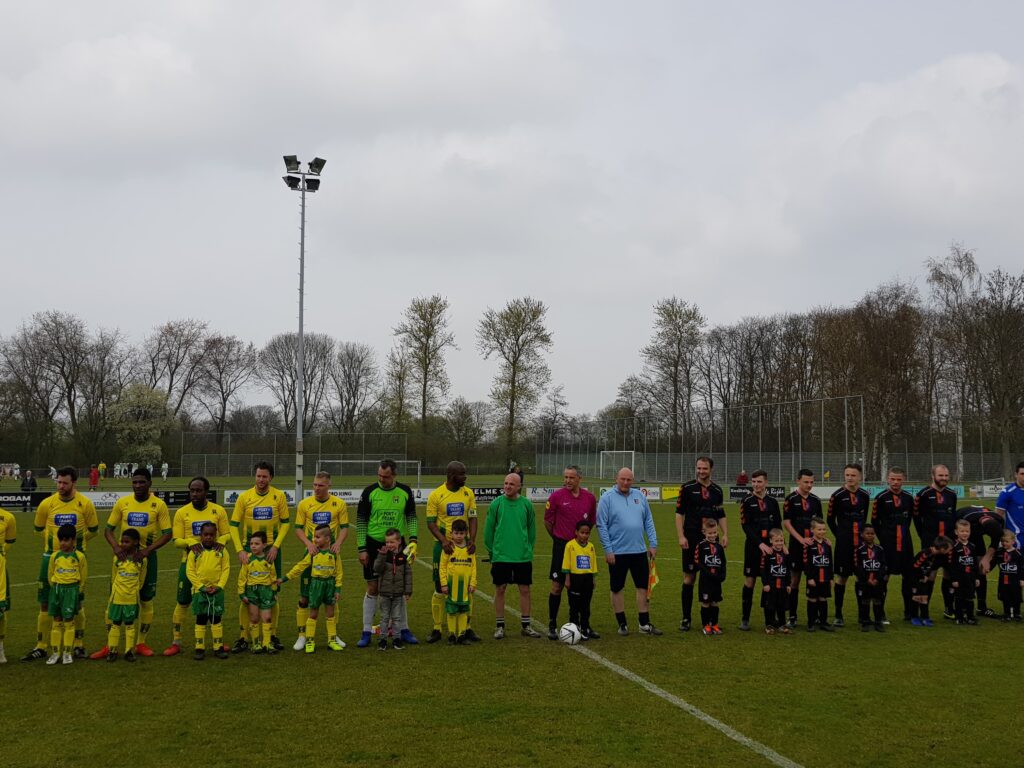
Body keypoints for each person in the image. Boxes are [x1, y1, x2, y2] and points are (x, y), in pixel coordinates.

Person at [90, 467, 172, 660]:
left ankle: (140, 642)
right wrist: (116, 548)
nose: (137, 485)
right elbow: (108, 530)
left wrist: (146, 551)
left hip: (147, 560)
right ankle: (110, 644)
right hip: (122, 560)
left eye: (141, 482)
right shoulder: (123, 503)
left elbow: (168, 533)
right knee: (114, 600)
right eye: (134, 482)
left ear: (150, 483)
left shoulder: (158, 505)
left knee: (145, 600)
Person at [22, 466, 99, 662]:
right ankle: (41, 646)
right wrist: (54, 548)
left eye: (65, 482)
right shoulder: (47, 504)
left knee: (76, 604)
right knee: (45, 603)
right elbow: (38, 529)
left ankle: (78, 645)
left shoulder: (85, 504)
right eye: (58, 482)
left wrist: (76, 547)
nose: (60, 486)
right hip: (49, 559)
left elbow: (94, 530)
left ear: (74, 483)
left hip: (75, 561)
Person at [163, 476, 230, 656]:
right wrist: (191, 542)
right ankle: (176, 641)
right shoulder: (181, 512)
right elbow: (176, 540)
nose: (194, 494)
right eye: (192, 490)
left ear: (206, 492)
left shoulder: (219, 511)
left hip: (212, 566)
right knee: (182, 602)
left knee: (214, 604)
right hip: (189, 564)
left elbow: (227, 534)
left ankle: (218, 642)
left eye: (198, 490)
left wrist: (220, 542)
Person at [356, 459, 418, 648]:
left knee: (398, 588)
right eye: (379, 476)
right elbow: (360, 521)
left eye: (386, 476)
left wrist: (414, 540)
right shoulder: (369, 492)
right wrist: (362, 548)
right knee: (374, 588)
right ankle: (367, 631)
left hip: (398, 546)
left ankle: (404, 629)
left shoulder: (405, 491)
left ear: (394, 475)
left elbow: (412, 517)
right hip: (374, 545)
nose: (382, 479)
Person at [229, 461, 290, 653]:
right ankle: (243, 637)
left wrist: (276, 547)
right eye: (258, 476)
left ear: (271, 477)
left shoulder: (278, 496)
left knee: (272, 592)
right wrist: (240, 550)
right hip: (250, 550)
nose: (261, 480)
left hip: (271, 550)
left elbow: (286, 523)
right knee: (247, 595)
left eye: (264, 476)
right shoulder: (244, 497)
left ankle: (271, 635)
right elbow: (233, 525)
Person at [596, 467, 661, 636]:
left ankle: (644, 624)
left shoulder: (639, 496)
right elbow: (601, 525)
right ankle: (622, 623)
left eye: (629, 480)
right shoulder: (607, 498)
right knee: (617, 588)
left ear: (633, 480)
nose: (625, 483)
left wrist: (653, 544)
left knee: (642, 587)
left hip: (639, 551)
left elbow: (649, 521)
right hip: (617, 552)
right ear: (616, 479)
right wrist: (608, 550)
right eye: (622, 479)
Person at [291, 471, 349, 651]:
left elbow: (345, 527)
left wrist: (338, 543)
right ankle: (302, 636)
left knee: (331, 598)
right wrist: (309, 544)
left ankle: (333, 635)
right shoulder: (304, 504)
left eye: (320, 485)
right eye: (314, 485)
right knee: (304, 597)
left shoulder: (338, 504)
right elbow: (298, 528)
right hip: (311, 555)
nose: (316, 488)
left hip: (329, 557)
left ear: (329, 486)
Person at [426, 461, 477, 644]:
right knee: (441, 588)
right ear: (451, 475)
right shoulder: (436, 495)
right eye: (462, 474)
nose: (465, 477)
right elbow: (430, 522)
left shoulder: (468, 493)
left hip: (464, 548)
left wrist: (472, 540)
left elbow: (472, 518)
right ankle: (437, 628)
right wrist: (443, 540)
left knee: (466, 588)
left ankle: (466, 628)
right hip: (443, 547)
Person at [544, 465, 598, 640]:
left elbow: (590, 522)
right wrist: (558, 539)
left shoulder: (589, 498)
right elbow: (548, 522)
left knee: (582, 588)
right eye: (565, 477)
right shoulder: (556, 496)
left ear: (579, 479)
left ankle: (584, 625)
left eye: (571, 477)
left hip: (581, 548)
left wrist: (580, 540)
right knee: (558, 585)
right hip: (561, 546)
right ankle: (552, 624)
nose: (567, 480)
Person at [485, 472, 541, 639]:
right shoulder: (496, 504)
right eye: (506, 483)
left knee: (525, 589)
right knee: (500, 589)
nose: (507, 486)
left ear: (519, 487)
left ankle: (526, 625)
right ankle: (500, 626)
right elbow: (488, 531)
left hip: (522, 557)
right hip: (501, 556)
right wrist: (492, 552)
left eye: (511, 484)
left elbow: (532, 530)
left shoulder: (527, 505)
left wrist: (527, 549)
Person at [675, 456, 727, 632]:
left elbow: (721, 514)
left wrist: (725, 534)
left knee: (711, 577)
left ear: (711, 469)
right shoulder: (687, 488)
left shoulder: (717, 490)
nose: (701, 471)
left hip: (712, 540)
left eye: (704, 468)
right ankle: (686, 618)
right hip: (691, 539)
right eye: (698, 468)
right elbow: (679, 514)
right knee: (689, 578)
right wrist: (681, 536)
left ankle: (710, 620)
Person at [280, 524, 344, 653]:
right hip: (316, 585)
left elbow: (339, 572)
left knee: (330, 614)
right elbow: (300, 566)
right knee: (313, 613)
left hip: (330, 585)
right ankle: (309, 641)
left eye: (318, 537)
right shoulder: (313, 553)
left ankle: (331, 641)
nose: (314, 540)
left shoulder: (334, 553)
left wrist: (337, 589)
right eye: (314, 537)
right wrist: (285, 578)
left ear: (327, 538)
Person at [826, 463, 871, 627]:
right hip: (844, 544)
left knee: (862, 577)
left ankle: (863, 615)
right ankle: (838, 614)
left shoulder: (865, 496)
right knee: (842, 577)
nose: (850, 478)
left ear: (859, 477)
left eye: (853, 475)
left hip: (860, 545)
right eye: (847, 475)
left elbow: (864, 517)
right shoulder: (837, 496)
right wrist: (840, 534)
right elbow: (830, 519)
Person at [913, 464, 958, 619]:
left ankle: (949, 608)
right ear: (933, 476)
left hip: (948, 544)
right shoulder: (923, 494)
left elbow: (953, 517)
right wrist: (924, 536)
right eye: (941, 476)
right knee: (929, 575)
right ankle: (925, 609)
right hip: (930, 543)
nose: (944, 478)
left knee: (948, 574)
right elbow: (917, 518)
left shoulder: (952, 494)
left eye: (946, 476)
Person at [739, 470, 781, 631]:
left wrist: (777, 543)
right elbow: (746, 526)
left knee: (771, 582)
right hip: (753, 548)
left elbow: (777, 524)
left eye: (759, 482)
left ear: (766, 483)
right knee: (750, 582)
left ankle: (771, 619)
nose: (756, 485)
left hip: (771, 548)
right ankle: (745, 618)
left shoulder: (773, 502)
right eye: (754, 481)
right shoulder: (747, 501)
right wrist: (759, 544)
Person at [872, 467, 915, 622]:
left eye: (899, 479)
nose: (896, 482)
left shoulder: (909, 498)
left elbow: (910, 518)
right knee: (884, 577)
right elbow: (875, 521)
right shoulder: (881, 498)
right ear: (888, 479)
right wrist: (883, 537)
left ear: (903, 480)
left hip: (905, 543)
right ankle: (880, 612)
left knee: (909, 578)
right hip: (888, 544)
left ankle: (909, 612)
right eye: (893, 479)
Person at [186, 522, 231, 660]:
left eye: (212, 535)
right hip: (200, 592)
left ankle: (218, 647)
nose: (209, 537)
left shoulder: (222, 551)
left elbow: (226, 569)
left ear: (216, 535)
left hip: (217, 591)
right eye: (205, 534)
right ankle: (199, 648)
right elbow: (190, 571)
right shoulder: (195, 551)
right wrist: (200, 587)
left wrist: (220, 586)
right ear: (200, 536)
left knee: (216, 618)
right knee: (201, 618)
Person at [783, 469, 820, 627]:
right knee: (794, 580)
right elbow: (786, 523)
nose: (809, 485)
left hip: (813, 547)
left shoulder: (816, 500)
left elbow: (819, 524)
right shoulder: (790, 499)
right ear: (798, 481)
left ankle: (815, 616)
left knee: (813, 580)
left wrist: (817, 540)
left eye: (811, 482)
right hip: (797, 546)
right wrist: (800, 539)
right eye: (806, 482)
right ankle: (792, 616)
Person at [46, 524, 88, 665]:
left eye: (66, 540)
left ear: (73, 540)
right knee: (56, 621)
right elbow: (50, 574)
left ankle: (67, 653)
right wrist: (55, 589)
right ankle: (55, 653)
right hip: (57, 590)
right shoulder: (54, 556)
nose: (63, 543)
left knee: (69, 621)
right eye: (61, 540)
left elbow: (83, 576)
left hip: (71, 591)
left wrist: (78, 591)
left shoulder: (79, 557)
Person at [105, 529, 146, 662]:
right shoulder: (117, 558)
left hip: (131, 598)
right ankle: (112, 650)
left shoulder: (141, 560)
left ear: (135, 543)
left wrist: (134, 590)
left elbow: (141, 579)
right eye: (122, 541)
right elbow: (114, 576)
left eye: (126, 542)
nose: (123, 544)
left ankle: (129, 651)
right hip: (117, 597)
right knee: (115, 623)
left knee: (129, 624)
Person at [958, 505, 1004, 618]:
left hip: (978, 528)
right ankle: (959, 606)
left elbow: (995, 541)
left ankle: (981, 607)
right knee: (964, 566)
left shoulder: (999, 520)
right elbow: (958, 531)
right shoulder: (969, 519)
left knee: (981, 569)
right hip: (963, 525)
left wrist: (987, 558)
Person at [373, 527, 414, 651]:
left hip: (398, 594)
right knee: (384, 618)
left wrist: (408, 592)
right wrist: (381, 555)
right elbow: (377, 568)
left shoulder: (404, 556)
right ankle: (382, 640)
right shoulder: (383, 555)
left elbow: (408, 574)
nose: (389, 545)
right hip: (384, 593)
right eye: (387, 542)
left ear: (399, 541)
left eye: (392, 542)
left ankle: (397, 639)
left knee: (396, 618)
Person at [237, 531, 278, 654]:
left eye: (257, 543)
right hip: (252, 591)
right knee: (254, 618)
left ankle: (267, 643)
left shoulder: (269, 559)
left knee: (267, 617)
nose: (253, 546)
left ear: (264, 545)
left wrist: (274, 591)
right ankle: (256, 644)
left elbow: (273, 576)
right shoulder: (248, 559)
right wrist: (241, 593)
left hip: (266, 591)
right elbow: (242, 577)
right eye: (251, 544)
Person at [439, 519, 477, 644]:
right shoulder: (448, 548)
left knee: (463, 610)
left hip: (465, 587)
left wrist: (472, 583)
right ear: (451, 533)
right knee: (451, 610)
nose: (459, 536)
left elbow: (474, 567)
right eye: (456, 533)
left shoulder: (470, 549)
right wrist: (444, 584)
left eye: (461, 533)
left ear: (466, 533)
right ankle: (451, 634)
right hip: (451, 586)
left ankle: (461, 634)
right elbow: (442, 567)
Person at [562, 519, 599, 640]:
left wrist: (593, 578)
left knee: (586, 606)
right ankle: (574, 628)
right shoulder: (570, 545)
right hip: (575, 578)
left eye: (587, 533)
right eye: (582, 532)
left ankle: (586, 627)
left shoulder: (591, 546)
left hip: (587, 579)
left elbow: (593, 563)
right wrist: (567, 579)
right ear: (576, 532)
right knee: (574, 606)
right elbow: (566, 563)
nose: (584, 535)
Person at [908, 536, 953, 627]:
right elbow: (915, 567)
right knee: (916, 598)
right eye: (948, 549)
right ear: (942, 549)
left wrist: (926, 576)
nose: (949, 551)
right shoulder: (925, 554)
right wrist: (921, 576)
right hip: (916, 579)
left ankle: (925, 617)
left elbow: (929, 567)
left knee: (924, 598)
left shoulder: (934, 555)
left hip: (924, 579)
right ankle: (914, 616)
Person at [694, 517, 726, 636]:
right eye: (710, 533)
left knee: (715, 602)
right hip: (706, 580)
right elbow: (697, 561)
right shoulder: (701, 545)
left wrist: (723, 575)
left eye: (715, 532)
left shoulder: (719, 547)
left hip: (716, 580)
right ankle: (706, 625)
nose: (712, 535)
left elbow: (723, 562)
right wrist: (708, 573)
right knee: (706, 602)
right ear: (704, 532)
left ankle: (715, 624)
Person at [853, 524, 887, 632]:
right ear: (862, 535)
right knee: (865, 601)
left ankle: (878, 622)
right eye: (867, 533)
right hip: (864, 581)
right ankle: (865, 622)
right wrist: (865, 579)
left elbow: (883, 565)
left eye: (872, 534)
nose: (870, 536)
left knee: (878, 601)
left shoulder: (880, 549)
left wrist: (878, 578)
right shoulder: (859, 550)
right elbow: (857, 566)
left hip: (877, 581)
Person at [803, 518, 834, 632]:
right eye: (819, 529)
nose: (822, 531)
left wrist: (831, 577)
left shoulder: (828, 544)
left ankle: (823, 622)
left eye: (824, 529)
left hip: (825, 576)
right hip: (814, 577)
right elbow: (806, 562)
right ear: (812, 530)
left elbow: (830, 562)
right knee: (812, 599)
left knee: (823, 598)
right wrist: (809, 577)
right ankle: (811, 623)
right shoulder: (809, 544)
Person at [760, 529, 791, 635]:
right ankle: (769, 625)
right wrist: (765, 584)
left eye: (781, 541)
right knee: (769, 606)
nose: (779, 543)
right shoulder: (767, 554)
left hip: (782, 585)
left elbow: (787, 571)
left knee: (781, 606)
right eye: (777, 541)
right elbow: (763, 570)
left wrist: (788, 584)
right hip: (771, 586)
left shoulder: (785, 554)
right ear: (771, 541)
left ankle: (782, 624)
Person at [949, 519, 980, 625]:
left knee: (970, 597)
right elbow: (952, 565)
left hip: (970, 577)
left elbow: (975, 564)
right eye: (962, 531)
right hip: (959, 577)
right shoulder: (954, 547)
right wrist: (954, 579)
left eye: (967, 531)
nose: (965, 533)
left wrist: (976, 577)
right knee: (959, 598)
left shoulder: (972, 546)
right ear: (956, 532)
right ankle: (959, 617)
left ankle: (970, 617)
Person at [0, 503, 16, 664]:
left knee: (1, 608)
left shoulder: (8, 517)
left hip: (0, 568)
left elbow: (10, 540)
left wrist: (1, 552)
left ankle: (0, 648)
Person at [995, 529, 1023, 620]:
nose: (1004, 543)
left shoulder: (1018, 553)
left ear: (1013, 541)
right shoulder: (999, 552)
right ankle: (1006, 613)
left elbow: (1022, 567)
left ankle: (1016, 613)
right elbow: (993, 562)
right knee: (1005, 596)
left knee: (1016, 596)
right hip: (1003, 579)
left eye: (1007, 541)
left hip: (1015, 579)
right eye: (1002, 541)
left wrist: (1022, 579)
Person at [996, 462, 1024, 549]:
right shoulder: (1008, 492)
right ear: (1016, 475)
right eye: (1022, 474)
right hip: (1016, 540)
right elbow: (998, 517)